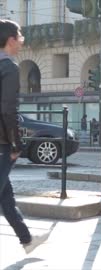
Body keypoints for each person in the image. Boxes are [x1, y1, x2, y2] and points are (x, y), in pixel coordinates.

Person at [0, 19, 49, 253]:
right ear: (10, 40)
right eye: (20, 37)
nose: (21, 42)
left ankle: (27, 240)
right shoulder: (9, 66)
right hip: (1, 143)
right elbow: (8, 109)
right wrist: (15, 143)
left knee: (5, 195)